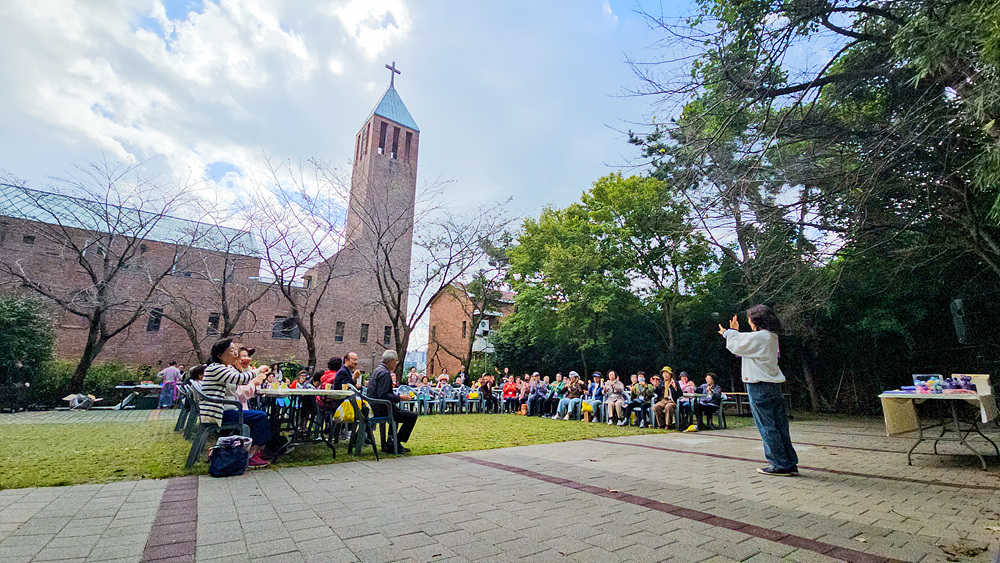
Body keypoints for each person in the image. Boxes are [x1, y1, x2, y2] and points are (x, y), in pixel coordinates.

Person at [720, 304, 799, 476]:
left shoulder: (760, 337)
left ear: (757, 320)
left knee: (767, 426)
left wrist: (729, 332)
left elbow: (736, 346)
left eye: (749, 318)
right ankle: (789, 462)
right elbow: (744, 343)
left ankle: (779, 464)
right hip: (773, 385)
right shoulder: (771, 336)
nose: (748, 322)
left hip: (759, 386)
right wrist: (734, 334)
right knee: (780, 426)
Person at [201, 339, 274, 468]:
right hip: (220, 413)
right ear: (220, 355)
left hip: (226, 410)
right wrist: (259, 370)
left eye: (235, 350)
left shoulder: (225, 368)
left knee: (259, 416)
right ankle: (252, 455)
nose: (235, 353)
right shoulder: (217, 368)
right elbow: (240, 379)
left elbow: (242, 379)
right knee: (260, 417)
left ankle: (256, 451)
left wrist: (246, 368)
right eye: (231, 350)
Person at [366, 350, 416, 454]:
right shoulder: (385, 374)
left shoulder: (377, 370)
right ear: (391, 361)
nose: (396, 364)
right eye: (396, 361)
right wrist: (400, 397)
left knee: (398, 412)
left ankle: (391, 441)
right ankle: (395, 442)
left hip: (374, 406)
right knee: (411, 416)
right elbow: (383, 395)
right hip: (381, 408)